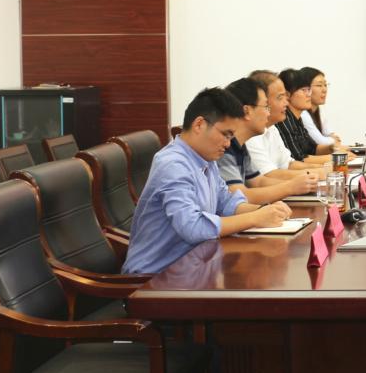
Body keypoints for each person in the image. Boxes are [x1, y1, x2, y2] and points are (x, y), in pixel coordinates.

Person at [122, 88, 291, 275]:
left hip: (194, 266)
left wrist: (265, 211)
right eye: (226, 134)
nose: (228, 144)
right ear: (199, 125)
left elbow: (226, 203)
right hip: (155, 277)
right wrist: (255, 218)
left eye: (231, 137)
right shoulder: (172, 164)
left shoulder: (205, 159)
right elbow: (192, 227)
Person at [220, 77, 316, 204]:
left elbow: (258, 182)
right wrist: (290, 187)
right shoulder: (224, 147)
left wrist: (302, 185)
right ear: (246, 111)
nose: (268, 113)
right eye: (266, 107)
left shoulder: (240, 145)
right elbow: (239, 196)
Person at [245, 70, 328, 177]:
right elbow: (268, 175)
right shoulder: (251, 135)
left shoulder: (272, 128)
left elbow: (288, 163)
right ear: (263, 100)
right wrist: (321, 172)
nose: (286, 102)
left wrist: (325, 169)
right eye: (280, 97)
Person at [275, 68, 340, 162]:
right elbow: (298, 159)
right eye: (303, 90)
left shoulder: (298, 119)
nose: (309, 94)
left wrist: (332, 148)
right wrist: (338, 158)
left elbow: (313, 149)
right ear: (288, 94)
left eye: (309, 89)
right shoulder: (284, 120)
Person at [299, 66, 341, 147]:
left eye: (325, 85)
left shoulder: (319, 110)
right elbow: (321, 142)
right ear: (305, 89)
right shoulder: (303, 113)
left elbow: (331, 135)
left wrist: (332, 140)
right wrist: (333, 140)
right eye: (319, 85)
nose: (324, 90)